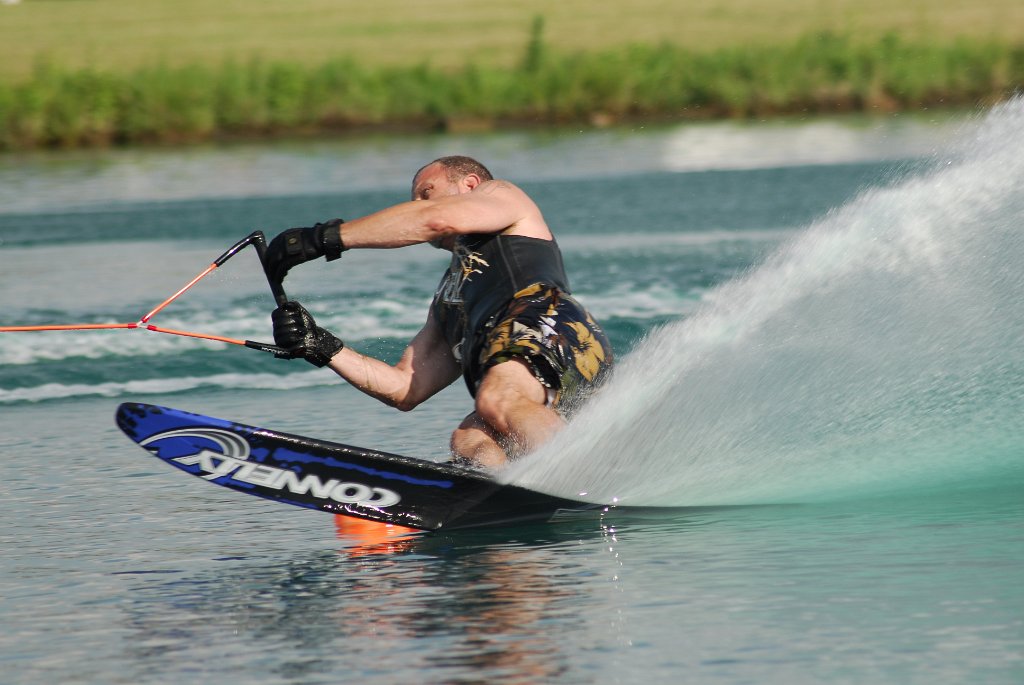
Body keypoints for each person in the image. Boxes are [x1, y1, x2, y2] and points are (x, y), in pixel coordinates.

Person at [263, 155, 613, 468]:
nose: (416, 205)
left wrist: (322, 238)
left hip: (554, 326)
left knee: (498, 398)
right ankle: (497, 494)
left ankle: (584, 480)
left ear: (470, 184)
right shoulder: (450, 299)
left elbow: (436, 219)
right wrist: (322, 346)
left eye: (425, 193)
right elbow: (406, 387)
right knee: (471, 438)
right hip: (537, 374)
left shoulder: (503, 196)